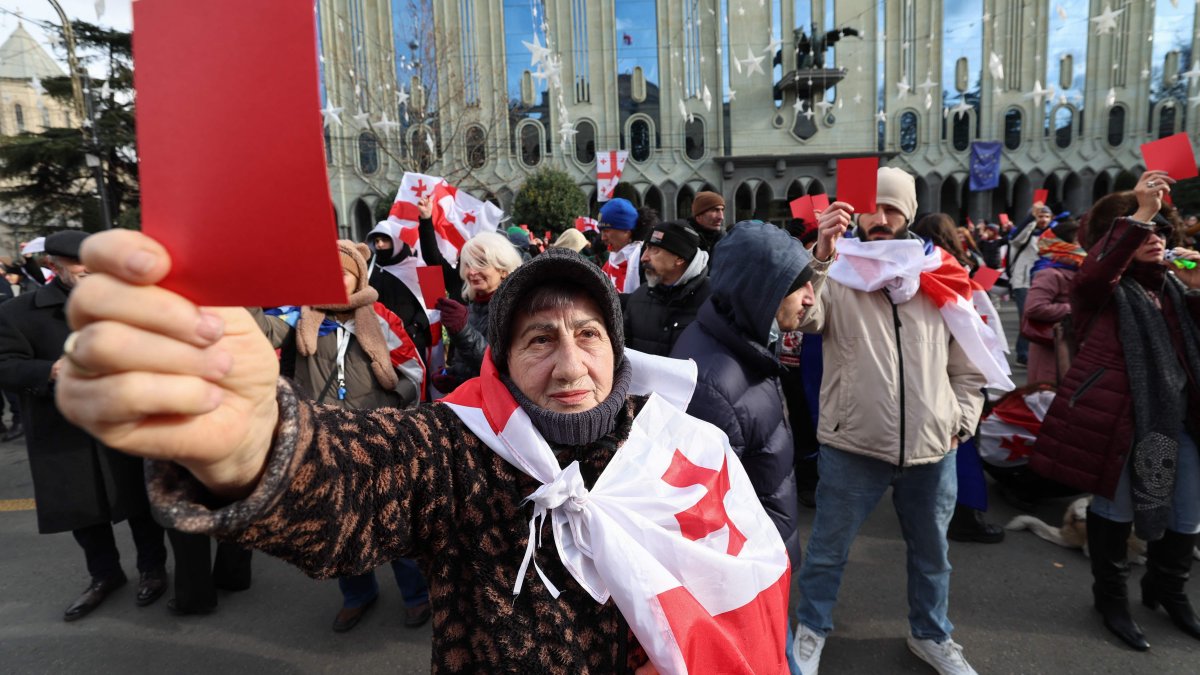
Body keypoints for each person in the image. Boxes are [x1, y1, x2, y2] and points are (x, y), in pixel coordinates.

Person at [56, 233, 793, 673]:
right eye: (540, 339)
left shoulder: (675, 446)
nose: (570, 364)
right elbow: (351, 480)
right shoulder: (456, 450)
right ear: (501, 360)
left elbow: (744, 589)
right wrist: (259, 442)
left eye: (588, 334)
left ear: (617, 348)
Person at [791, 167, 994, 675]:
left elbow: (969, 362)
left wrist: (960, 420)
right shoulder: (837, 271)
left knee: (933, 556)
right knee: (827, 553)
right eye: (873, 209)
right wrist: (821, 253)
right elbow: (800, 317)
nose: (880, 219)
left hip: (933, 448)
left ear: (908, 213)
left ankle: (932, 635)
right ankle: (811, 630)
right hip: (853, 446)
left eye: (892, 209)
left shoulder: (940, 271)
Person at [1032, 172, 1200, 652]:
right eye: (1144, 231)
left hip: (1177, 421)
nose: (1156, 239)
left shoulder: (1172, 288)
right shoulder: (1100, 290)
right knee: (1117, 511)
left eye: (1161, 231)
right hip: (1121, 423)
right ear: (1116, 238)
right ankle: (1111, 600)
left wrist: (1198, 289)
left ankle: (1167, 590)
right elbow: (1095, 273)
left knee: (1187, 513)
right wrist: (1142, 213)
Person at [254, 240, 429, 631]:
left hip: (378, 437)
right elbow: (258, 330)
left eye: (344, 271)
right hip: (324, 439)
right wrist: (245, 284)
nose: (336, 279)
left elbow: (412, 367)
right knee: (341, 523)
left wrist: (397, 401)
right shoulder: (300, 316)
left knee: (393, 518)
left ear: (358, 276)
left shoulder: (379, 316)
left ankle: (416, 595)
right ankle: (358, 594)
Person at [0, 230, 168, 621]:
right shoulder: (19, 311)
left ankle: (152, 568)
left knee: (141, 501)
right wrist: (50, 370)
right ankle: (104, 575)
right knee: (82, 508)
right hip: (62, 427)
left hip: (125, 420)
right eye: (84, 270)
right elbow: (5, 364)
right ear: (52, 267)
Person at [670, 221, 815, 674]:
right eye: (798, 287)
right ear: (761, 291)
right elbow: (706, 520)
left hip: (765, 565)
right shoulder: (715, 381)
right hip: (748, 585)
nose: (811, 297)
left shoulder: (743, 343)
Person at [432, 231, 523, 394]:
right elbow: (471, 362)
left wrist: (462, 330)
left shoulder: (515, 307)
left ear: (502, 269)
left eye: (481, 263)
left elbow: (499, 367)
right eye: (468, 264)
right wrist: (454, 377)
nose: (472, 272)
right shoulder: (474, 304)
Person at [622, 220, 711, 356]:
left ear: (679, 258)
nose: (644, 258)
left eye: (654, 249)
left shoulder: (714, 299)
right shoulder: (639, 297)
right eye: (646, 248)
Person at [1022, 218, 1084, 384]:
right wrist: (1074, 308)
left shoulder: (1082, 269)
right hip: (1052, 347)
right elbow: (1034, 308)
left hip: (1074, 343)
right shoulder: (1050, 273)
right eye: (1078, 240)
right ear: (1061, 243)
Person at [1008, 204, 1055, 365]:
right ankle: (1023, 353)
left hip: (1044, 281)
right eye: (1040, 216)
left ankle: (1035, 353)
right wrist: (1030, 219)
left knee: (1039, 317)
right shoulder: (1027, 235)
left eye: (1046, 216)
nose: (1043, 220)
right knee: (1026, 316)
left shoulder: (1053, 236)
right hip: (1023, 281)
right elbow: (1015, 238)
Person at [598, 198, 645, 293]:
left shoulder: (644, 260)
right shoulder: (611, 260)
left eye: (606, 231)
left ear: (626, 231)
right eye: (601, 232)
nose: (603, 238)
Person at [688, 191, 726, 255]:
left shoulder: (724, 238)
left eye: (722, 210)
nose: (721, 217)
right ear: (699, 215)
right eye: (715, 210)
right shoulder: (685, 239)